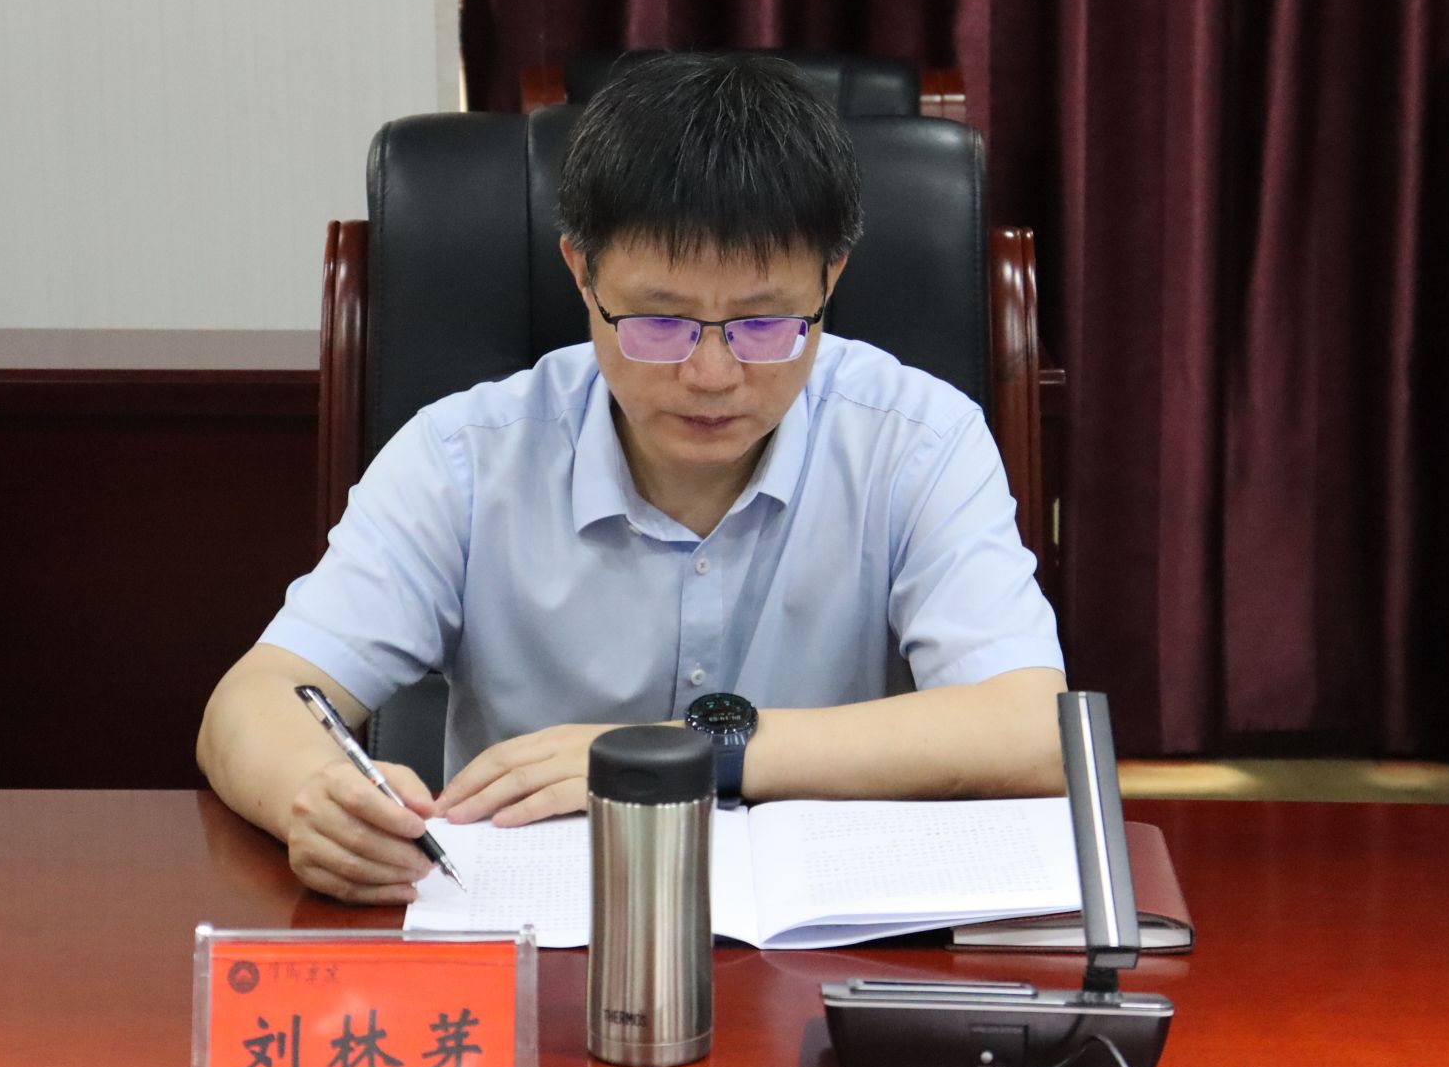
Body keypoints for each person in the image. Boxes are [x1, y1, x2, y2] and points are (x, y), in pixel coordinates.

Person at [198, 53, 1067, 904]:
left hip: (827, 945)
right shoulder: (466, 456)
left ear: (829, 280)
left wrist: (687, 751)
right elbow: (254, 700)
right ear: (581, 273)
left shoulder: (917, 440)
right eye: (660, 322)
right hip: (540, 942)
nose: (712, 374)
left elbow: (1035, 729)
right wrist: (317, 797)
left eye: (765, 323)